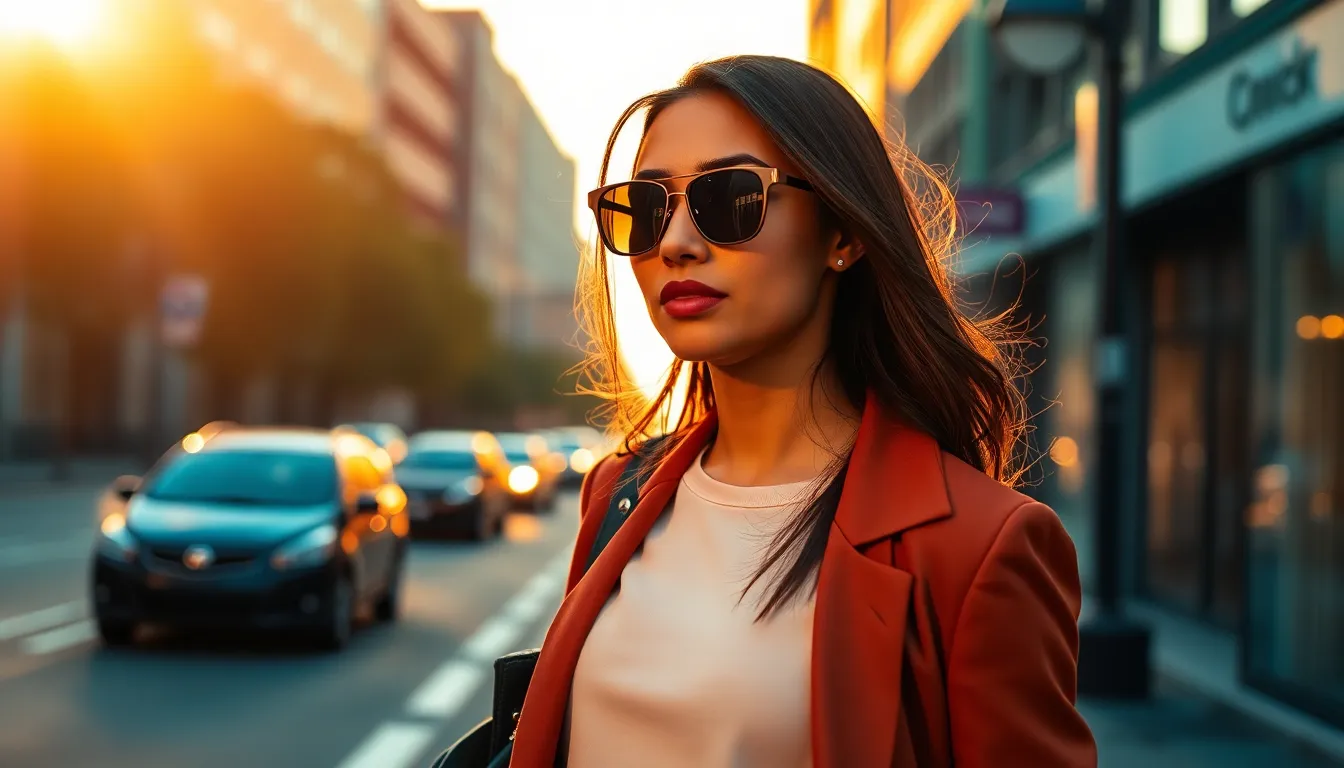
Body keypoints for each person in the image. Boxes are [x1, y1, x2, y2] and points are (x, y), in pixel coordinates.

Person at [510, 55, 1098, 768]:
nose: (676, 244)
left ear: (842, 235)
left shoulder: (982, 547)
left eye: (730, 200)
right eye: (647, 208)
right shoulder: (618, 492)